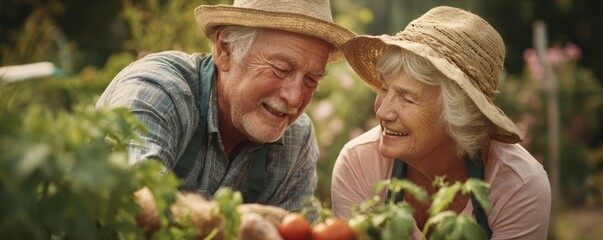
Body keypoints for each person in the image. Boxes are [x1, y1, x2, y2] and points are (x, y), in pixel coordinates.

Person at [96, 0, 355, 214]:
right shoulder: (159, 91)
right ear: (225, 50)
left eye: (312, 80)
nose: (295, 98)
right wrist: (228, 221)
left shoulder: (297, 138)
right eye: (281, 69)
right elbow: (130, 196)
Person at [331, 6, 551, 239]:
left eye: (407, 98)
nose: (383, 112)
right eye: (384, 89)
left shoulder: (518, 186)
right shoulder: (359, 163)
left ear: (459, 114)